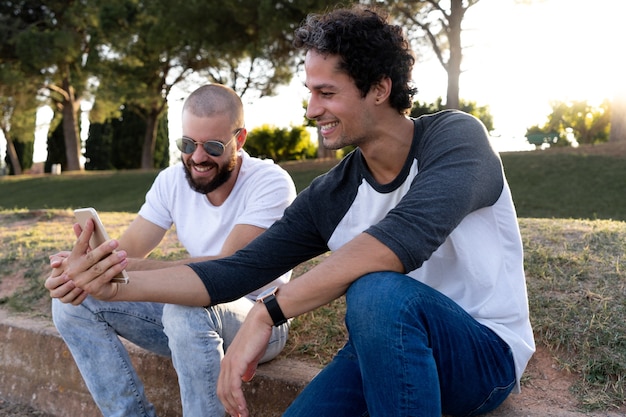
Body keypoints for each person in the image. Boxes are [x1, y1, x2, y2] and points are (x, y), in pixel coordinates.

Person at [53, 5, 535, 417]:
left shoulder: (456, 139)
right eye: (309, 91)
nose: (310, 109)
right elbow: (233, 271)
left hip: (481, 354)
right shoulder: (333, 192)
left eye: (326, 93)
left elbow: (399, 241)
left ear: (380, 88)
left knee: (378, 290)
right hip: (380, 348)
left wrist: (268, 313)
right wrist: (107, 285)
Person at [45, 84, 297, 417]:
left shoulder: (270, 183)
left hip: (259, 319)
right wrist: (83, 267)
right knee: (73, 304)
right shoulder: (172, 181)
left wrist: (116, 267)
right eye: (188, 144)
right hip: (190, 319)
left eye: (213, 146)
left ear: (240, 139)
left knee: (185, 308)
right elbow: (129, 248)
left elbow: (230, 269)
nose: (197, 157)